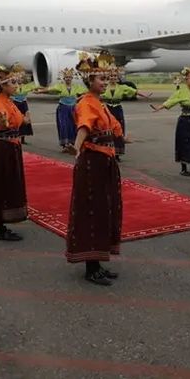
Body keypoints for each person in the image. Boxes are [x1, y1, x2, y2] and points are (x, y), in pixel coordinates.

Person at [65, 51, 124, 286]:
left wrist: (121, 138)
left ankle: (98, 262)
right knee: (93, 212)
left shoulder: (99, 103)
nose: (105, 81)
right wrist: (77, 147)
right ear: (89, 81)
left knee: (104, 211)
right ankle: (91, 267)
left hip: (105, 161)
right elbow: (84, 127)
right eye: (100, 78)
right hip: (93, 163)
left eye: (106, 78)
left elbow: (113, 128)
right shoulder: (86, 104)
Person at [0, 64, 30, 241]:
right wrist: (4, 121)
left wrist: (25, 119)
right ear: (3, 85)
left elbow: (19, 121)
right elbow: (3, 119)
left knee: (10, 184)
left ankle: (4, 223)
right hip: (4, 149)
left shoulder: (9, 101)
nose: (16, 85)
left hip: (12, 147)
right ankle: (0, 226)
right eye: (12, 82)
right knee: (3, 184)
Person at [35, 68, 87, 152]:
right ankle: (65, 145)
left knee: (73, 125)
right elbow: (49, 89)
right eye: (66, 77)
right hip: (63, 108)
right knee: (64, 126)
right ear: (64, 78)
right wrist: (40, 91)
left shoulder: (76, 87)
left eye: (70, 77)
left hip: (73, 109)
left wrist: (78, 99)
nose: (68, 79)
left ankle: (74, 144)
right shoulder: (60, 86)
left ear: (72, 78)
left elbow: (86, 93)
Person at [100, 67, 148, 159]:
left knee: (119, 129)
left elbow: (134, 91)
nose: (113, 78)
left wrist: (144, 95)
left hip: (117, 109)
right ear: (108, 77)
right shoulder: (105, 86)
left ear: (117, 77)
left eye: (114, 76)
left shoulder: (122, 87)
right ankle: (108, 151)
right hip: (107, 109)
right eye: (111, 76)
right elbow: (96, 93)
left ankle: (118, 153)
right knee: (107, 129)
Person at [11, 69, 36, 144]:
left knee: (25, 120)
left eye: (21, 78)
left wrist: (39, 90)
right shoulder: (13, 87)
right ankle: (15, 137)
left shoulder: (26, 86)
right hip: (16, 103)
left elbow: (35, 87)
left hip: (24, 104)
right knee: (16, 119)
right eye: (18, 78)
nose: (19, 80)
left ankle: (23, 139)